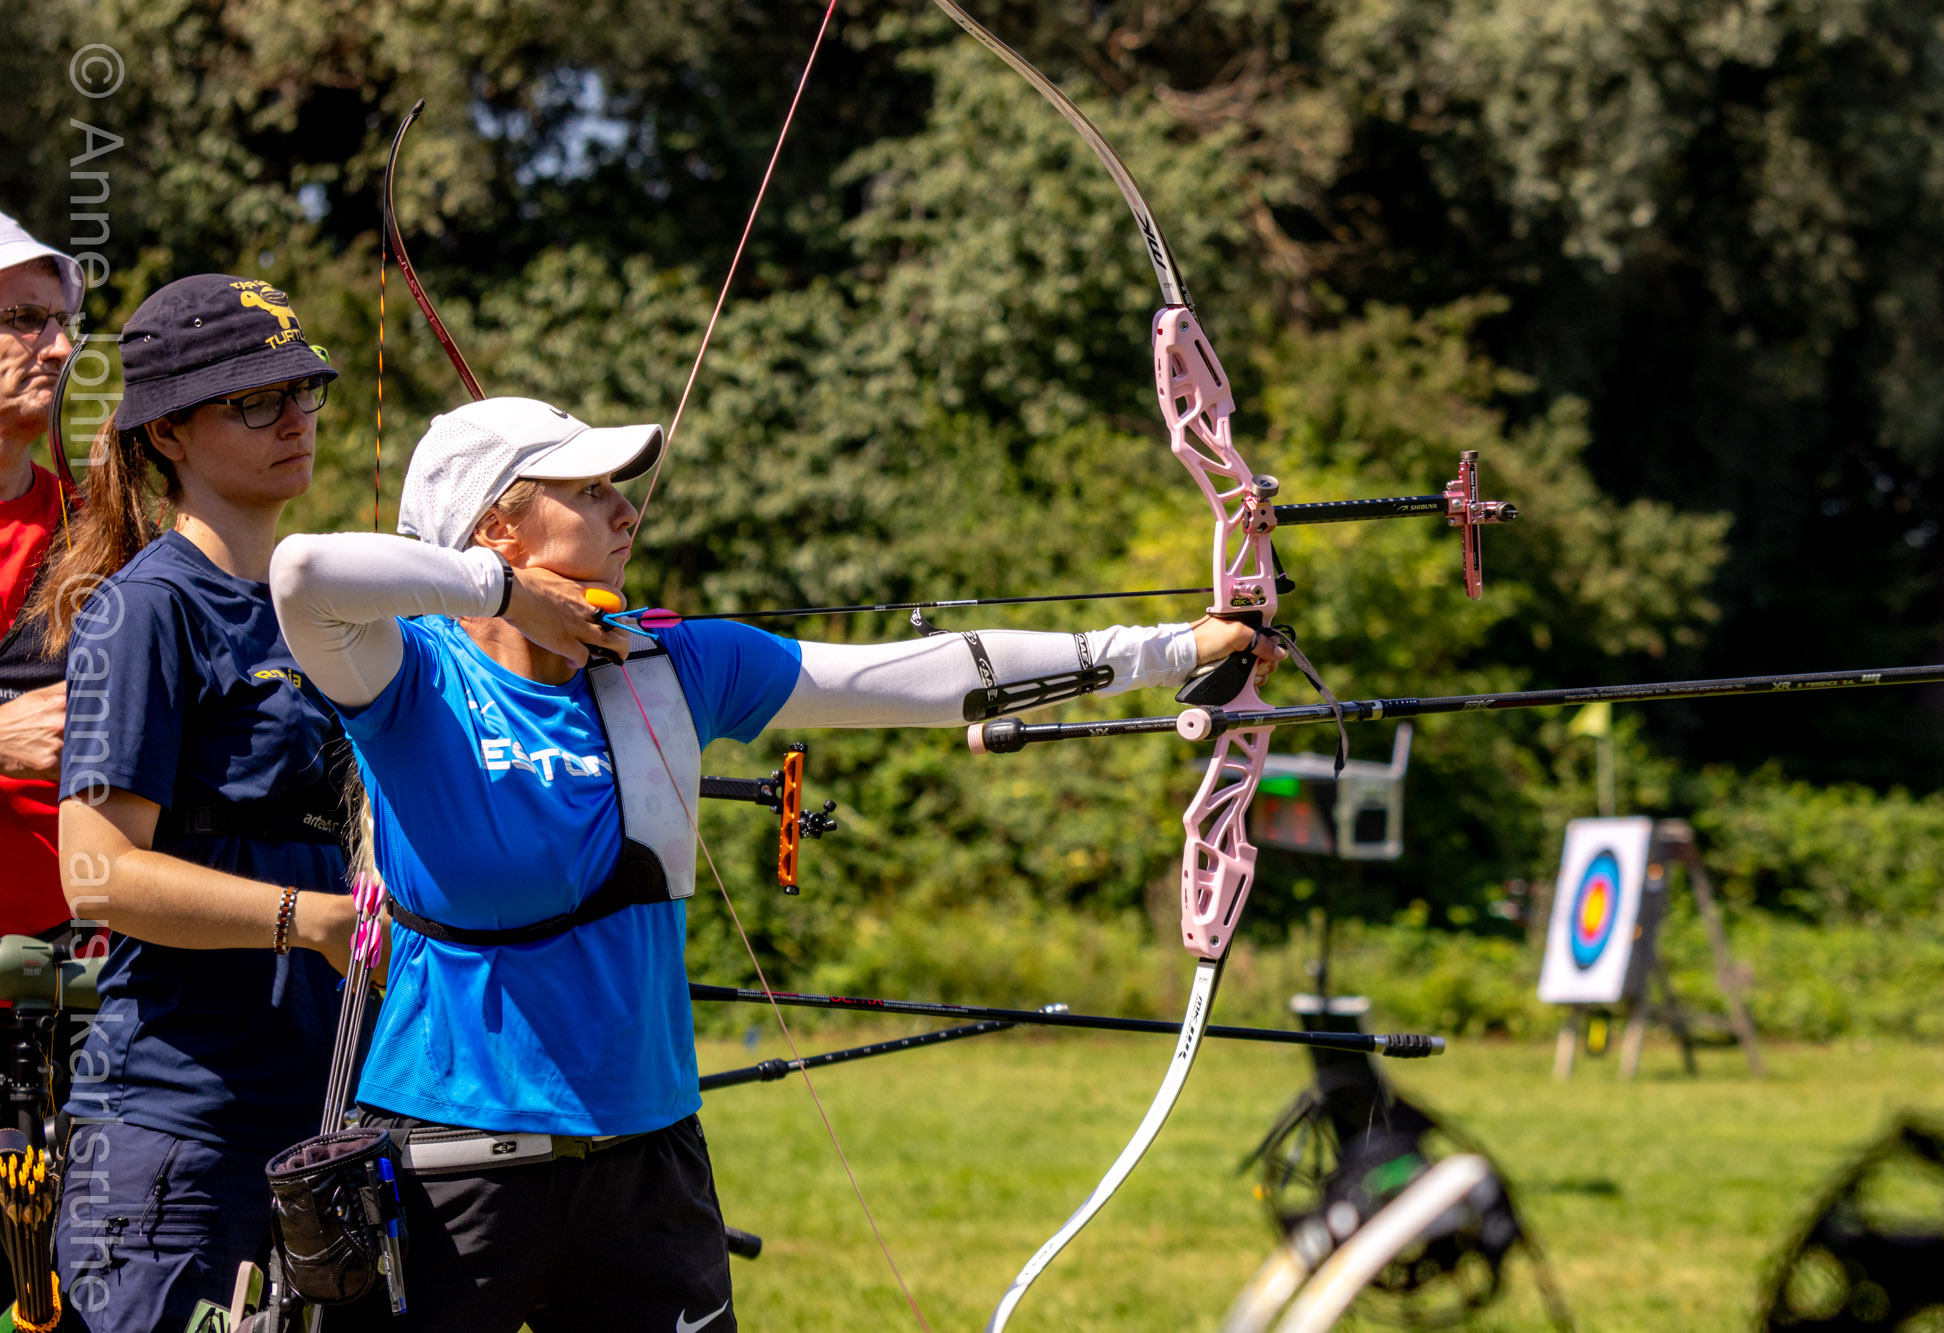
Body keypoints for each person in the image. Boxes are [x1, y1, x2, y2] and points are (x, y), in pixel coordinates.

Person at [270, 394, 1273, 1333]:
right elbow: (303, 572)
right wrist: (502, 595)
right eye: (590, 491)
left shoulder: (670, 663)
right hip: (450, 1166)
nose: (625, 511)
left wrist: (1174, 648)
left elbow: (922, 677)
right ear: (498, 527)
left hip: (646, 1165)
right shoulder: (411, 675)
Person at [35, 273, 360, 1332]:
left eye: (304, 391)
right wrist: (311, 921)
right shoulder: (146, 610)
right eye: (255, 401)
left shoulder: (316, 608)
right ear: (168, 431)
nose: (295, 419)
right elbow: (96, 873)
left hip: (318, 1116)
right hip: (176, 1135)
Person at [0, 211, 84, 944]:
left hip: (74, 974)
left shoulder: (95, 528)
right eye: (27, 320)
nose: (59, 348)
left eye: (62, 323)